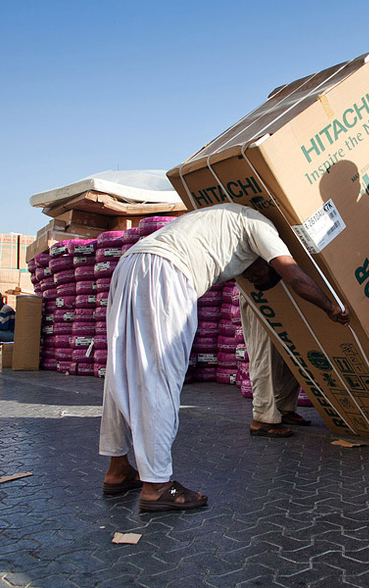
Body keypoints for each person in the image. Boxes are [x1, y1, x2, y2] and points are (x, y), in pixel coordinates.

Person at [99, 203, 350, 511]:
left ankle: (118, 470)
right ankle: (157, 486)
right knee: (160, 376)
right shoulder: (261, 228)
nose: (252, 279)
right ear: (264, 260)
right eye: (260, 277)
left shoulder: (224, 218)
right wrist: (332, 307)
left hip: (131, 263)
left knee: (120, 372)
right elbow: (295, 276)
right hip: (166, 272)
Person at [239, 300, 309, 438]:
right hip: (259, 293)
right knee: (265, 355)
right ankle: (262, 417)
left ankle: (284, 407)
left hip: (285, 297)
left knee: (294, 353)